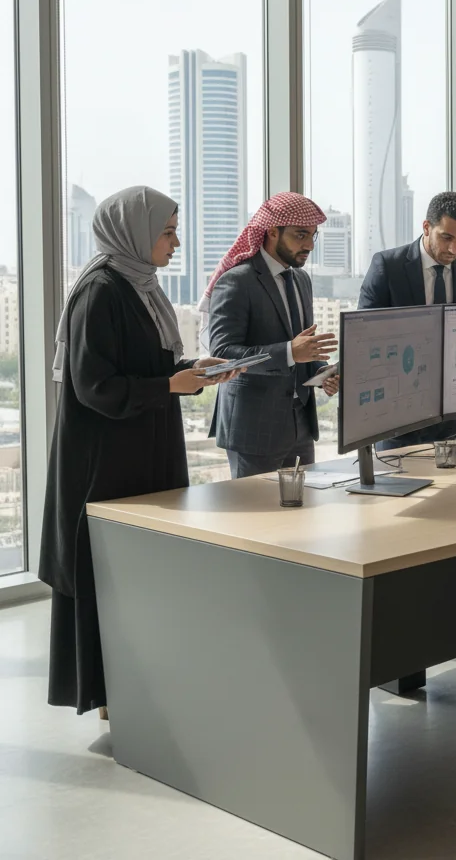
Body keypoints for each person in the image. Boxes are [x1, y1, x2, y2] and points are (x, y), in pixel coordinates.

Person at [38, 186, 242, 715]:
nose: (176, 242)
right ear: (134, 233)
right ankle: (110, 696)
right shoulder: (100, 292)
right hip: (106, 462)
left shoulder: (142, 287)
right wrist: (170, 386)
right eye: (167, 232)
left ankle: (137, 689)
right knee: (108, 574)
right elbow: (94, 387)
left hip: (145, 449)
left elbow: (150, 370)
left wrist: (196, 375)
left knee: (141, 574)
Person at [204, 193, 340, 478]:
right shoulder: (237, 281)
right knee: (254, 519)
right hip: (253, 430)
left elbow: (301, 348)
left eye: (313, 236)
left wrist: (321, 372)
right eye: (300, 235)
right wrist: (290, 352)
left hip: (300, 425)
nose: (309, 245)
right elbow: (223, 355)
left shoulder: (301, 279)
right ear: (272, 231)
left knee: (301, 517)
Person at [357, 190, 456, 447]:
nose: (454, 249)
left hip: (451, 405)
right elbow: (363, 336)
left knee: (451, 482)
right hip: (398, 405)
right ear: (426, 227)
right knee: (395, 478)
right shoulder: (387, 266)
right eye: (447, 238)